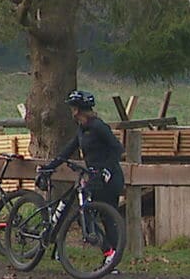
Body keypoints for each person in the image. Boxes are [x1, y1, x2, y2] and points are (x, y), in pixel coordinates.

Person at [38, 91, 126, 250]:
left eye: (73, 108)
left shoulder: (98, 126)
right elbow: (67, 150)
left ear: (77, 110)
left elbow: (117, 148)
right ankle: (109, 252)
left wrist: (106, 169)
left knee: (106, 217)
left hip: (110, 177)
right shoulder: (82, 129)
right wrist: (50, 167)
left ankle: (111, 254)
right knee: (86, 215)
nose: (71, 112)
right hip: (95, 177)